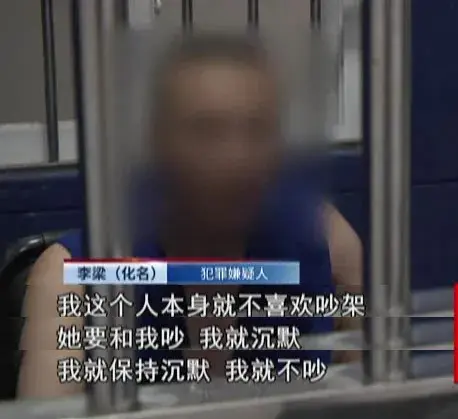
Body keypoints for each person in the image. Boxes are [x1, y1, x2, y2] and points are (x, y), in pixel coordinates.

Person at [18, 34, 362, 399]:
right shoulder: (69, 275)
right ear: (157, 144)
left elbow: (371, 395)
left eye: (258, 130)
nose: (237, 159)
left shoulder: (325, 238)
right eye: (206, 131)